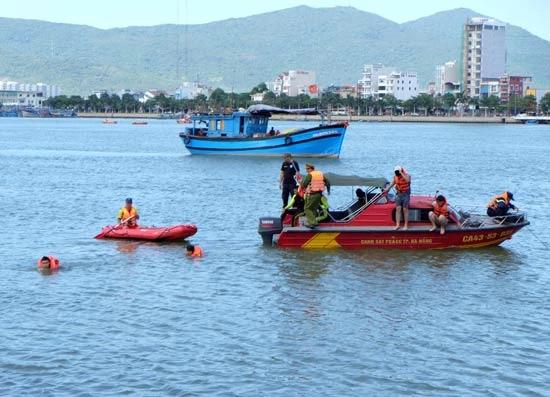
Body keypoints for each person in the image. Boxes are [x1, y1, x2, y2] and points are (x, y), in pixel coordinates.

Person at [300, 163, 330, 228]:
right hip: (319, 195)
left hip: (313, 194)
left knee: (307, 208)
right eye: (306, 169)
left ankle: (313, 222)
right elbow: (328, 182)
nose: (306, 170)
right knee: (314, 209)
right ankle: (312, 222)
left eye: (307, 169)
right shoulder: (320, 174)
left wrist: (301, 182)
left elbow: (303, 185)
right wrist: (328, 191)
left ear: (311, 169)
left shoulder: (310, 175)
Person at [384, 165, 411, 230]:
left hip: (406, 194)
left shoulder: (406, 176)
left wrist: (401, 173)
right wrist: (386, 189)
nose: (398, 175)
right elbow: (391, 184)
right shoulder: (395, 177)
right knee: (398, 208)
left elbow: (407, 180)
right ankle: (397, 225)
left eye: (399, 174)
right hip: (399, 194)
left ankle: (406, 225)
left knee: (405, 209)